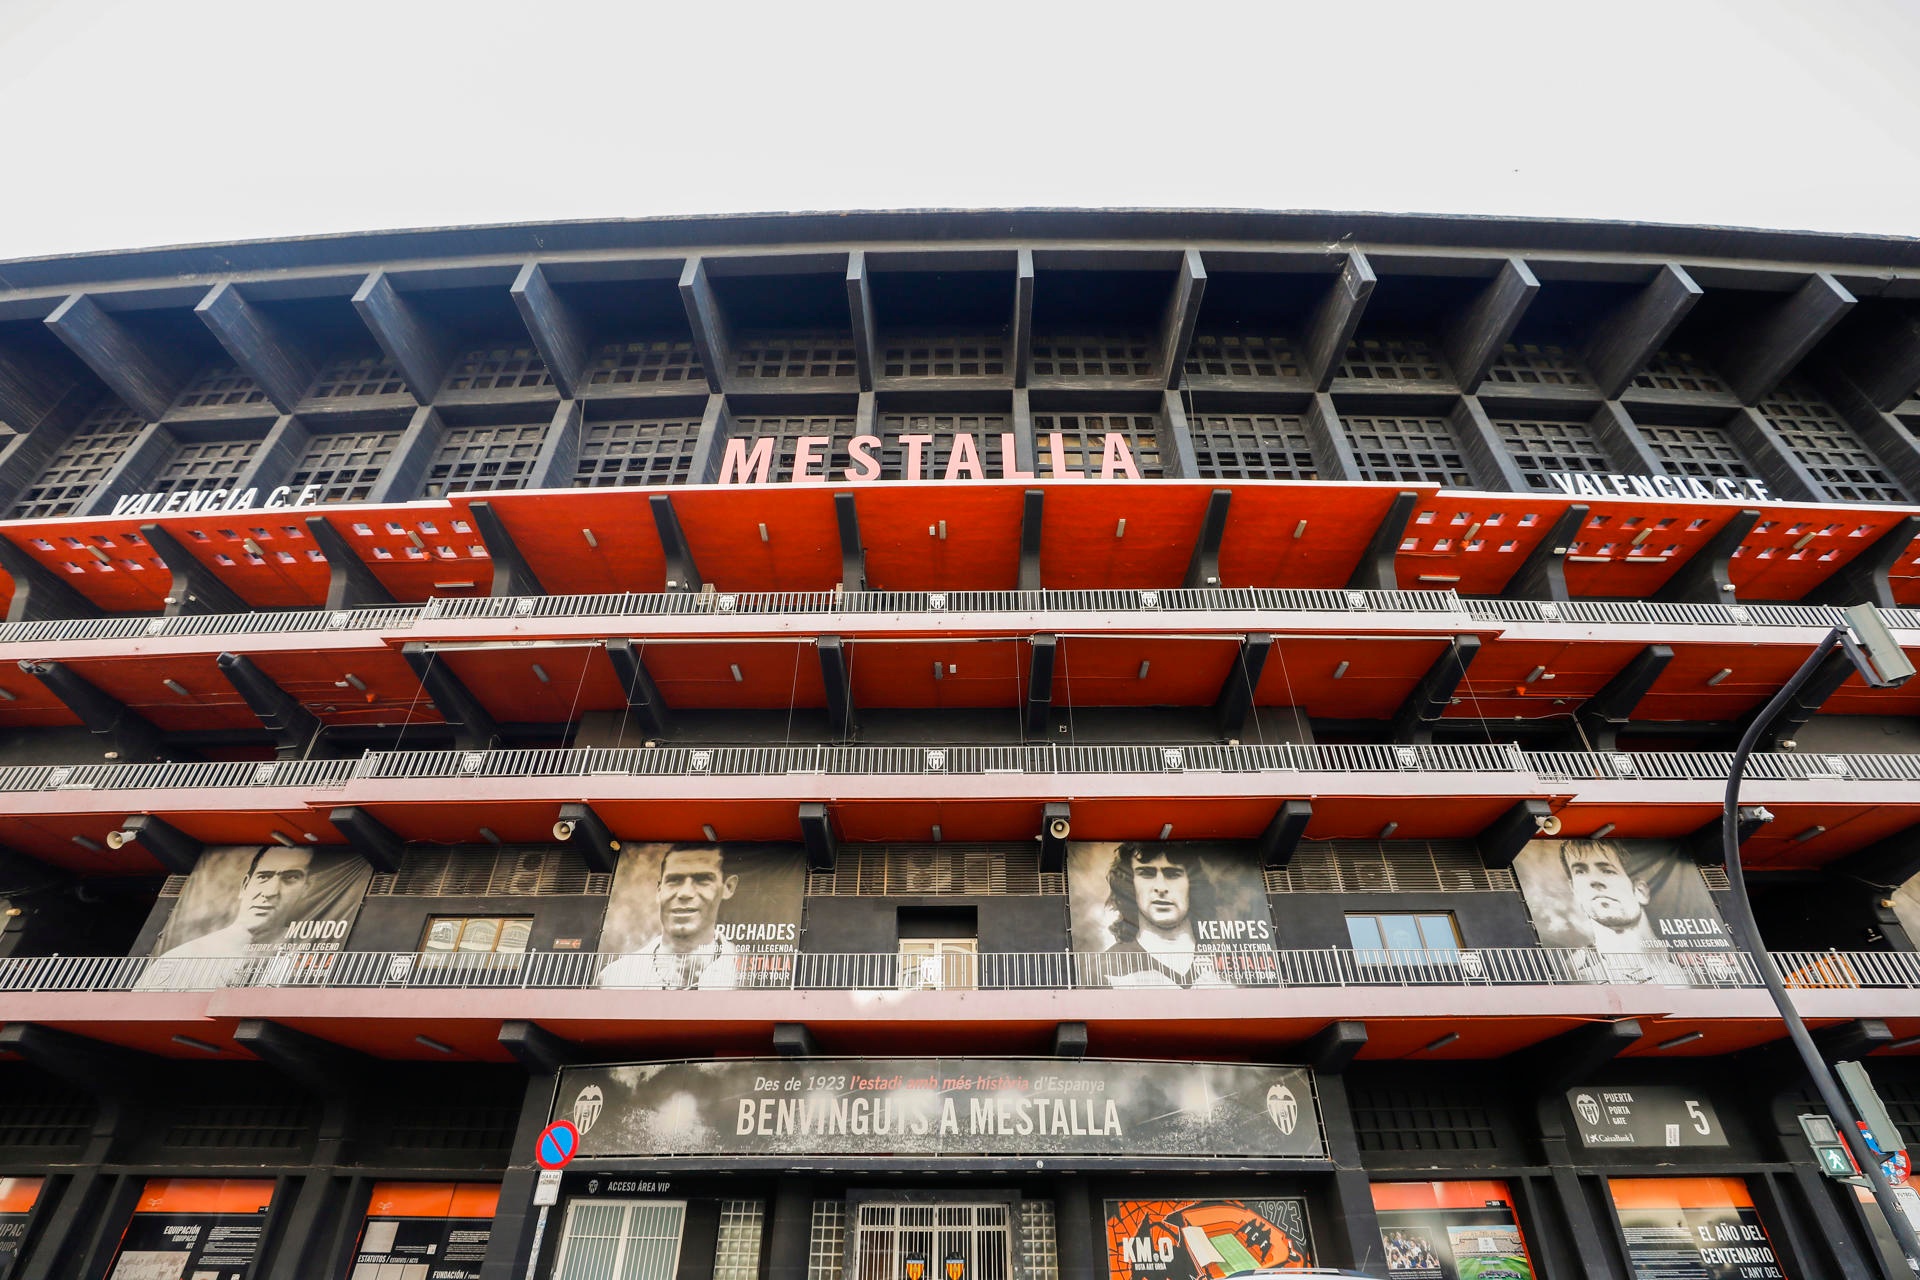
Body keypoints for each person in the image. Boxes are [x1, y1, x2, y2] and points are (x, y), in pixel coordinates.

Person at [140, 846, 315, 988]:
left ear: (306, 889)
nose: (270, 892)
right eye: (264, 876)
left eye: (291, 877)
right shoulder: (181, 957)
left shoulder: (308, 959)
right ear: (245, 885)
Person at [601, 845, 743, 989]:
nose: (685, 893)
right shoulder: (614, 978)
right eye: (674, 880)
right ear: (659, 891)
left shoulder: (747, 975)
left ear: (728, 887)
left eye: (702, 880)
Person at [1095, 844, 1231, 989]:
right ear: (1129, 885)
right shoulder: (1105, 967)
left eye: (1172, 874)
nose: (1160, 887)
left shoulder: (1228, 960)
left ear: (1192, 885)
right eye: (1147, 873)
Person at [1559, 841, 1688, 984]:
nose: (1594, 881)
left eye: (1607, 871)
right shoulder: (1572, 973)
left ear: (1640, 891)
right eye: (1580, 872)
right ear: (1574, 889)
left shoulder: (1691, 967)